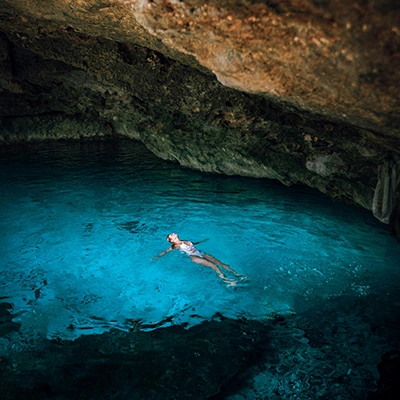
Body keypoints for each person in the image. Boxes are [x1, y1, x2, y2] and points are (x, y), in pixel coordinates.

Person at [152, 233, 245, 286]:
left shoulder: (184, 241)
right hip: (194, 257)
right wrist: (155, 258)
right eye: (170, 236)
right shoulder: (175, 245)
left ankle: (237, 274)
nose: (171, 234)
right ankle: (227, 281)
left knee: (221, 263)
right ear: (171, 240)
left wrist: (203, 241)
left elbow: (194, 243)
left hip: (200, 253)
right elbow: (165, 252)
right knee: (214, 266)